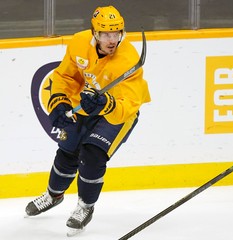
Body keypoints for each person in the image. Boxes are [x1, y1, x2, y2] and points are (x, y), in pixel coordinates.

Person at [25, 5, 151, 236]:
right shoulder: (79, 42)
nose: (112, 40)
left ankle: (85, 207)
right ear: (95, 33)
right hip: (85, 106)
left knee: (92, 154)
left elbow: (129, 103)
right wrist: (60, 101)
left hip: (119, 113)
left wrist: (106, 104)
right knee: (67, 152)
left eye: (116, 34)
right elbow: (65, 76)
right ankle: (53, 196)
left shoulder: (129, 59)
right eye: (105, 34)